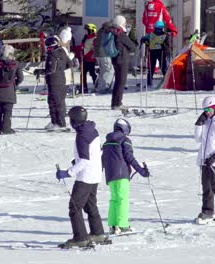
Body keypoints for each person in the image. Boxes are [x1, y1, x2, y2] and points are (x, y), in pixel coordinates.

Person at [55, 106, 108, 248]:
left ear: (74, 120)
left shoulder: (82, 135)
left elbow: (85, 160)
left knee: (75, 207)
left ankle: (80, 238)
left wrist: (68, 172)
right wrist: (76, 161)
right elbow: (98, 151)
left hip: (86, 177)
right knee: (90, 204)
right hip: (95, 173)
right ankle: (98, 234)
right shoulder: (92, 130)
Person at [102, 118, 150, 235]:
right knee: (123, 199)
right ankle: (123, 225)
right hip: (122, 174)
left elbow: (102, 159)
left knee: (114, 199)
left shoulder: (107, 142)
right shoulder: (125, 140)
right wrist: (141, 171)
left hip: (110, 175)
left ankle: (113, 225)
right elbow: (129, 158)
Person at [0, 45, 23, 134]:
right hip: (9, 90)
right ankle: (6, 128)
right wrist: (14, 84)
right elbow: (20, 78)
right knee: (8, 111)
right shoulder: (16, 63)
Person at [44, 34, 73, 132]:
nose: (47, 48)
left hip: (54, 81)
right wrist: (61, 68)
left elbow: (51, 69)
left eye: (47, 46)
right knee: (55, 101)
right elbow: (70, 64)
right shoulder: (62, 52)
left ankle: (60, 124)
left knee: (56, 103)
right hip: (61, 80)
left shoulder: (52, 54)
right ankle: (54, 122)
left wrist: (40, 71)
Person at [108, 15, 136, 110]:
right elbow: (132, 46)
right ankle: (118, 104)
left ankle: (114, 103)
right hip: (122, 60)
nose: (125, 24)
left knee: (117, 82)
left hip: (115, 59)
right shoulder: (121, 34)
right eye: (124, 22)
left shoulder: (113, 32)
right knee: (121, 83)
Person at [141, 21, 168, 86]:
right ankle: (149, 82)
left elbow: (167, 45)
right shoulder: (151, 35)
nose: (157, 31)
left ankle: (167, 80)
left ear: (161, 29)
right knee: (151, 67)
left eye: (159, 29)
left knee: (163, 67)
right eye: (156, 29)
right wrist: (144, 40)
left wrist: (164, 46)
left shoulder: (165, 36)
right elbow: (144, 38)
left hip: (161, 52)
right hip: (152, 52)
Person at [94, 21, 115, 94]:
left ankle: (100, 87)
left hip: (97, 54)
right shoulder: (107, 33)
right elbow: (109, 42)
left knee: (102, 71)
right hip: (104, 54)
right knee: (109, 70)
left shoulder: (99, 31)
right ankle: (105, 87)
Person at [80, 23, 98, 94]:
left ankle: (96, 86)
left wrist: (89, 55)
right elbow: (83, 47)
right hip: (85, 58)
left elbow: (94, 49)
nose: (85, 32)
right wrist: (80, 52)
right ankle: (84, 88)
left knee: (92, 73)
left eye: (87, 30)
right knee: (83, 74)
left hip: (91, 59)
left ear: (91, 30)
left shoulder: (94, 38)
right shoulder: (86, 38)